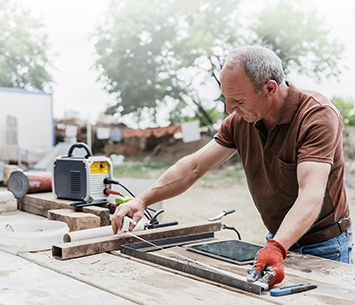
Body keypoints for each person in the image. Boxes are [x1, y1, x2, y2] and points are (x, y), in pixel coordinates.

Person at [111, 45, 353, 288]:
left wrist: (277, 246)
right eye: (226, 98)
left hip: (323, 246)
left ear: (270, 88)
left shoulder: (317, 115)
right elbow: (194, 166)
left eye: (237, 99)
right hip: (276, 240)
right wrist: (142, 199)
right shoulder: (240, 120)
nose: (229, 109)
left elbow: (311, 193)